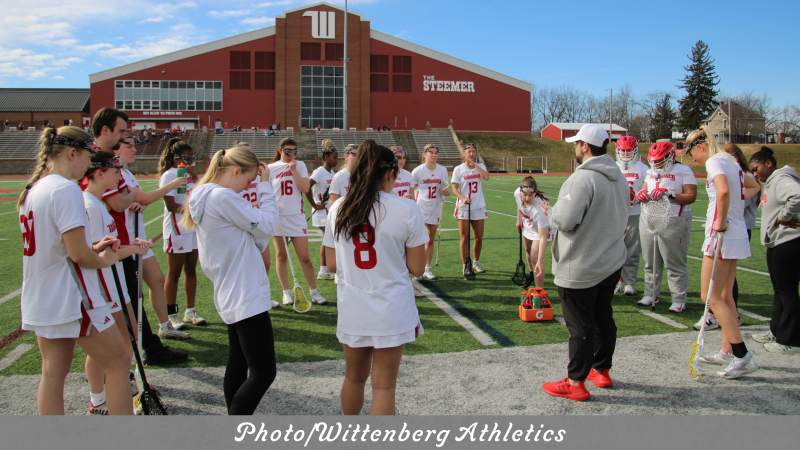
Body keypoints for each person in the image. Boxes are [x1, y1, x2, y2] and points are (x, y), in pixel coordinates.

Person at [17, 126, 130, 415]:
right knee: (118, 364)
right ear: (71, 153)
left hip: (42, 293)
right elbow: (78, 255)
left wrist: (92, 248)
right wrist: (105, 257)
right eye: (88, 156)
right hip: (72, 294)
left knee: (53, 373)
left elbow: (59, 248)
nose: (89, 164)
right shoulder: (65, 188)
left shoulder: (34, 189)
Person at [322, 143, 427, 415]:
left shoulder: (338, 208)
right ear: (391, 174)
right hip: (392, 305)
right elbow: (418, 268)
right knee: (384, 388)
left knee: (353, 378)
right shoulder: (406, 208)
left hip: (352, 303)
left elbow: (331, 264)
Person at [182, 147, 280, 414]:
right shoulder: (223, 196)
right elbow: (268, 226)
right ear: (236, 171)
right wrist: (265, 187)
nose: (246, 186)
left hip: (230, 287)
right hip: (243, 289)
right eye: (248, 180)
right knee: (263, 373)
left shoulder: (204, 194)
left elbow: (255, 234)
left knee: (238, 362)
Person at [539, 124, 628, 401]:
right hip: (610, 261)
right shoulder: (619, 177)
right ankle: (601, 370)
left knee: (580, 326)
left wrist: (551, 211)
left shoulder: (582, 179)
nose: (575, 148)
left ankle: (576, 381)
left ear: (585, 147)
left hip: (581, 263)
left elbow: (565, 220)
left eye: (577, 143)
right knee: (603, 318)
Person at [100, 116, 191, 366]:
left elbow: (134, 199)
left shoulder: (126, 173)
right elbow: (122, 201)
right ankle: (143, 348)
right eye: (128, 144)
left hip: (135, 239)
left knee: (156, 280)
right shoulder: (113, 172)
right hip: (123, 243)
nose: (134, 147)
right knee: (130, 298)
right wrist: (146, 195)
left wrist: (136, 199)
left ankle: (163, 327)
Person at [686, 126, 761, 378]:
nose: (693, 160)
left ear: (699, 146)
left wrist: (720, 220)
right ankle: (728, 351)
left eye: (691, 153)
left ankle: (742, 355)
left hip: (721, 235)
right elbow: (751, 186)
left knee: (710, 296)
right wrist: (733, 213)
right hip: (734, 233)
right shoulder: (730, 161)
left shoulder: (716, 161)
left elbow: (725, 191)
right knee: (726, 295)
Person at [81, 151, 153, 414]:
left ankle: (100, 398)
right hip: (104, 285)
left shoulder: (99, 203)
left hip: (114, 282)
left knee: (125, 338)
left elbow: (108, 246)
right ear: (98, 173)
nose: (119, 176)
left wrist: (131, 247)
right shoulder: (90, 205)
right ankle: (101, 400)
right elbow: (100, 254)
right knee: (116, 348)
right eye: (114, 172)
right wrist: (132, 250)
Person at [635, 142, 697, 313]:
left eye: (660, 160)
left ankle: (678, 298)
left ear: (670, 157)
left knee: (674, 262)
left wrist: (671, 195)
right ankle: (650, 293)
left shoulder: (683, 170)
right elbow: (645, 190)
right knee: (650, 261)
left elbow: (691, 196)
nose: (657, 164)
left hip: (674, 219)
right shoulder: (650, 172)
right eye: (654, 161)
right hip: (650, 218)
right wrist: (642, 194)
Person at [749, 146, 800, 354]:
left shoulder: (780, 179)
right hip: (777, 243)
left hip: (789, 243)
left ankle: (791, 339)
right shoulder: (771, 182)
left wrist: (783, 218)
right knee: (779, 290)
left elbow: (797, 195)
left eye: (756, 168)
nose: (755, 174)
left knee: (787, 291)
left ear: (768, 163)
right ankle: (777, 330)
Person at [268, 138, 327, 305]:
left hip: (296, 217)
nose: (291, 154)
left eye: (294, 151)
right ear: (280, 151)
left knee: (305, 257)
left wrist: (293, 170)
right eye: (288, 151)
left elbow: (305, 188)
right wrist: (272, 205)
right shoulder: (270, 169)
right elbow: (264, 192)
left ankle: (314, 291)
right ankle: (286, 292)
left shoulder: (299, 166)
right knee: (281, 256)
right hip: (279, 217)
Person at [158, 138, 203, 328]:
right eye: (186, 158)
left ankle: (190, 311)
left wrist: (198, 178)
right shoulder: (169, 175)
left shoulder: (191, 176)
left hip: (192, 229)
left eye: (192, 158)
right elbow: (170, 205)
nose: (190, 162)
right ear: (176, 158)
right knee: (174, 272)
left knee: (191, 270)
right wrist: (192, 212)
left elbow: (201, 195)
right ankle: (171, 314)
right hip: (177, 229)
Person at [725, 144, 760, 315]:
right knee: (725, 275)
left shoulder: (743, 176)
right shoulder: (738, 174)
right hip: (734, 226)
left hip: (737, 227)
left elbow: (738, 203)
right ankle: (730, 311)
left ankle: (731, 312)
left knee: (727, 275)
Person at [613, 136, 649, 296]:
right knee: (613, 250)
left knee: (633, 250)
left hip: (635, 212)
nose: (625, 153)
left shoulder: (642, 168)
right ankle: (614, 281)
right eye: (622, 150)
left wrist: (640, 196)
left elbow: (648, 188)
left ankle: (629, 282)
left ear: (634, 150)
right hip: (616, 214)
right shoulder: (613, 167)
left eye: (628, 150)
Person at [411, 144, 450, 280]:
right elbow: (411, 188)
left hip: (435, 207)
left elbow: (446, 189)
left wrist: (446, 192)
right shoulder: (418, 171)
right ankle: (417, 269)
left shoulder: (442, 170)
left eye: (436, 152)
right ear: (425, 154)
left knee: (430, 239)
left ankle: (427, 267)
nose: (434, 155)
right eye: (431, 152)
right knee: (418, 240)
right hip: (420, 207)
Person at [451, 143, 490, 276]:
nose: (471, 154)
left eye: (474, 152)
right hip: (464, 206)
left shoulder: (481, 166)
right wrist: (462, 198)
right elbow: (454, 189)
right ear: (464, 153)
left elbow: (486, 177)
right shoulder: (459, 169)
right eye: (469, 152)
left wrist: (475, 165)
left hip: (478, 206)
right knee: (464, 237)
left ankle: (476, 262)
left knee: (478, 237)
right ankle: (465, 265)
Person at [307, 139, 338, 280]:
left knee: (327, 239)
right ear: (326, 157)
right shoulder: (320, 171)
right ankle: (323, 270)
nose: (336, 160)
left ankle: (324, 270)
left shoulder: (332, 173)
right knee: (328, 239)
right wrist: (314, 204)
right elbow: (306, 186)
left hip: (329, 211)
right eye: (334, 158)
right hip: (321, 211)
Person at [514, 177, 553, 289]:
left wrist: (540, 261)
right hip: (528, 224)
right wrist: (519, 219)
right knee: (528, 250)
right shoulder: (517, 193)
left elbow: (542, 237)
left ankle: (539, 289)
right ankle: (531, 274)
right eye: (524, 195)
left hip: (543, 230)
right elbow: (519, 203)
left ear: (535, 193)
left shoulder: (540, 209)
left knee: (535, 258)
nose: (527, 198)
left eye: (530, 195)